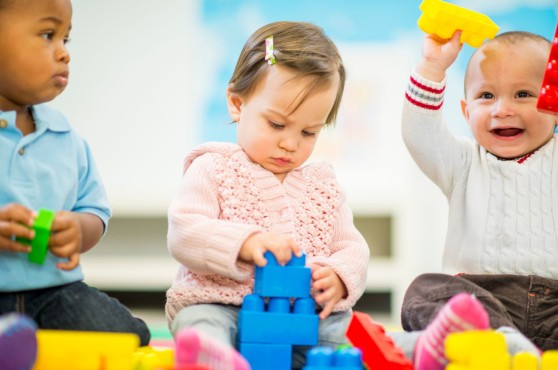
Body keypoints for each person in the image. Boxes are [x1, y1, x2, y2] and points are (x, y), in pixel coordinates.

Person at [165, 21, 370, 369]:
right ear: (236, 103)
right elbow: (184, 232)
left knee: (349, 332)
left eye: (309, 132)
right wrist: (243, 243)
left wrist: (339, 275)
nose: (290, 143)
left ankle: (396, 351)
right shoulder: (213, 167)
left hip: (302, 316)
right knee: (199, 324)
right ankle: (214, 359)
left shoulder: (324, 185)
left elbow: (352, 247)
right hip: (219, 305)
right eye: (276, 125)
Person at [399, 29, 557, 369]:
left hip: (555, 307)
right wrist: (432, 65)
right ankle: (500, 345)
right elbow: (418, 132)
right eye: (486, 96)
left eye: (523, 94)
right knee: (423, 291)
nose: (502, 109)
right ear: (465, 111)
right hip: (482, 300)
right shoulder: (463, 162)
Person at [0, 0, 150, 347]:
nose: (64, 53)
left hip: (53, 292)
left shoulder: (66, 137)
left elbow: (94, 211)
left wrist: (77, 231)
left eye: (66, 39)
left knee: (125, 335)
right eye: (48, 34)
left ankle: (18, 346)